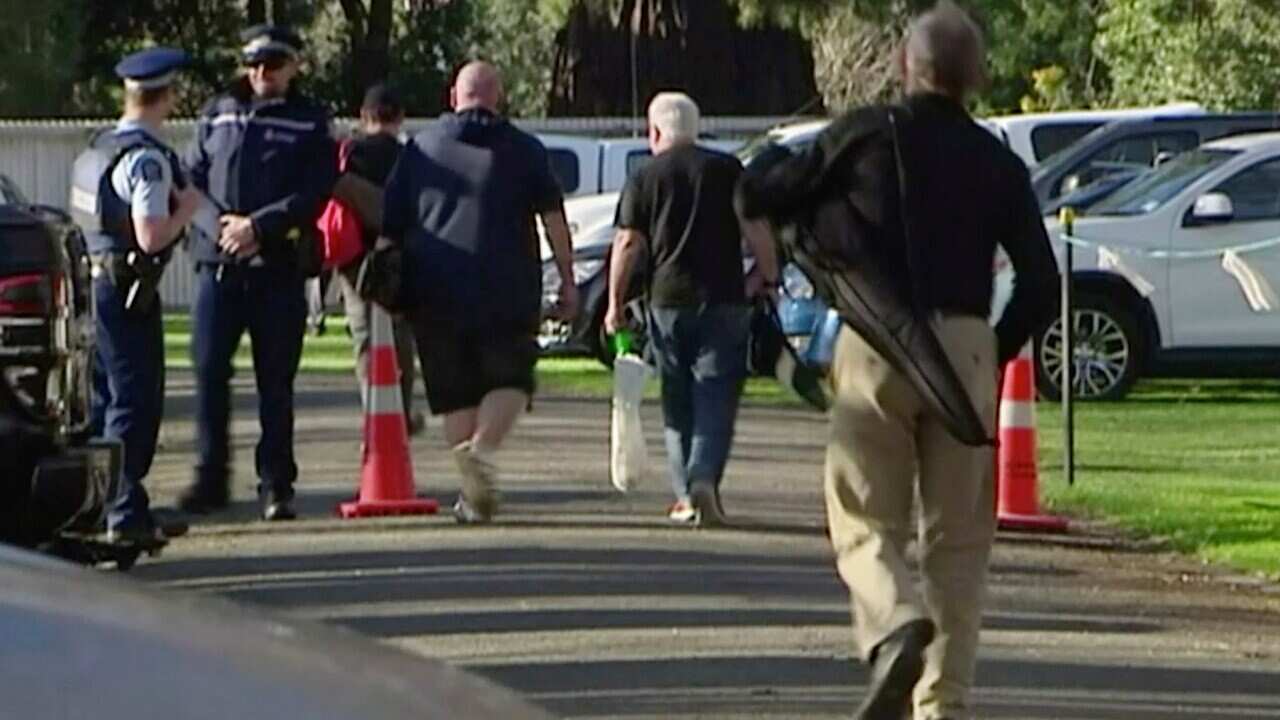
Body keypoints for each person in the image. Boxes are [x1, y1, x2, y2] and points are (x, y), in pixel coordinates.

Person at [736, 2, 1059, 718]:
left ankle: (892, 619)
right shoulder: (997, 162)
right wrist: (988, 354)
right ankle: (941, 703)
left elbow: (762, 190)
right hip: (968, 348)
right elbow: (1041, 283)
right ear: (976, 78)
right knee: (959, 542)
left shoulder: (859, 138)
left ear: (901, 66)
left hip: (876, 347)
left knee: (862, 514)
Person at [382, 61, 578, 524]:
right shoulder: (525, 150)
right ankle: (483, 452)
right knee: (512, 377)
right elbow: (553, 217)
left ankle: (471, 493)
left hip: (434, 288)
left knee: (455, 392)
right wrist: (568, 278)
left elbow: (392, 223)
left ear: (455, 96)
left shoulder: (421, 148)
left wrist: (387, 283)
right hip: (505, 285)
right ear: (498, 96)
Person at [178, 25, 337, 521]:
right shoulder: (218, 111)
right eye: (253, 65)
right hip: (219, 263)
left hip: (276, 267)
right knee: (208, 372)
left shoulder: (310, 120)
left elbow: (316, 190)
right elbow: (192, 177)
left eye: (272, 65)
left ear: (293, 67)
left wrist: (259, 227)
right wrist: (221, 227)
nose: (260, 74)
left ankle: (276, 484)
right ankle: (211, 479)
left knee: (275, 381)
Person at [604, 92, 779, 527]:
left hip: (666, 301)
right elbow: (757, 229)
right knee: (717, 395)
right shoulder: (728, 170)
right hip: (724, 298)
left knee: (676, 400)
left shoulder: (645, 176)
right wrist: (765, 276)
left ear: (656, 131)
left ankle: (685, 494)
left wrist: (613, 304)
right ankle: (705, 478)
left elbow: (629, 243)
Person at [70, 48, 201, 547]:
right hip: (128, 292)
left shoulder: (98, 148)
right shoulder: (146, 160)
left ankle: (105, 504)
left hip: (97, 287)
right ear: (166, 95)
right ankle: (122, 511)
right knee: (134, 401)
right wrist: (185, 210)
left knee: (103, 401)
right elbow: (150, 235)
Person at [331, 84, 425, 435]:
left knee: (365, 340)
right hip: (399, 258)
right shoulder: (412, 158)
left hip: (356, 258)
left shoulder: (349, 154)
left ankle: (374, 414)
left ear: (364, 116)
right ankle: (399, 412)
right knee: (400, 340)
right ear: (399, 118)